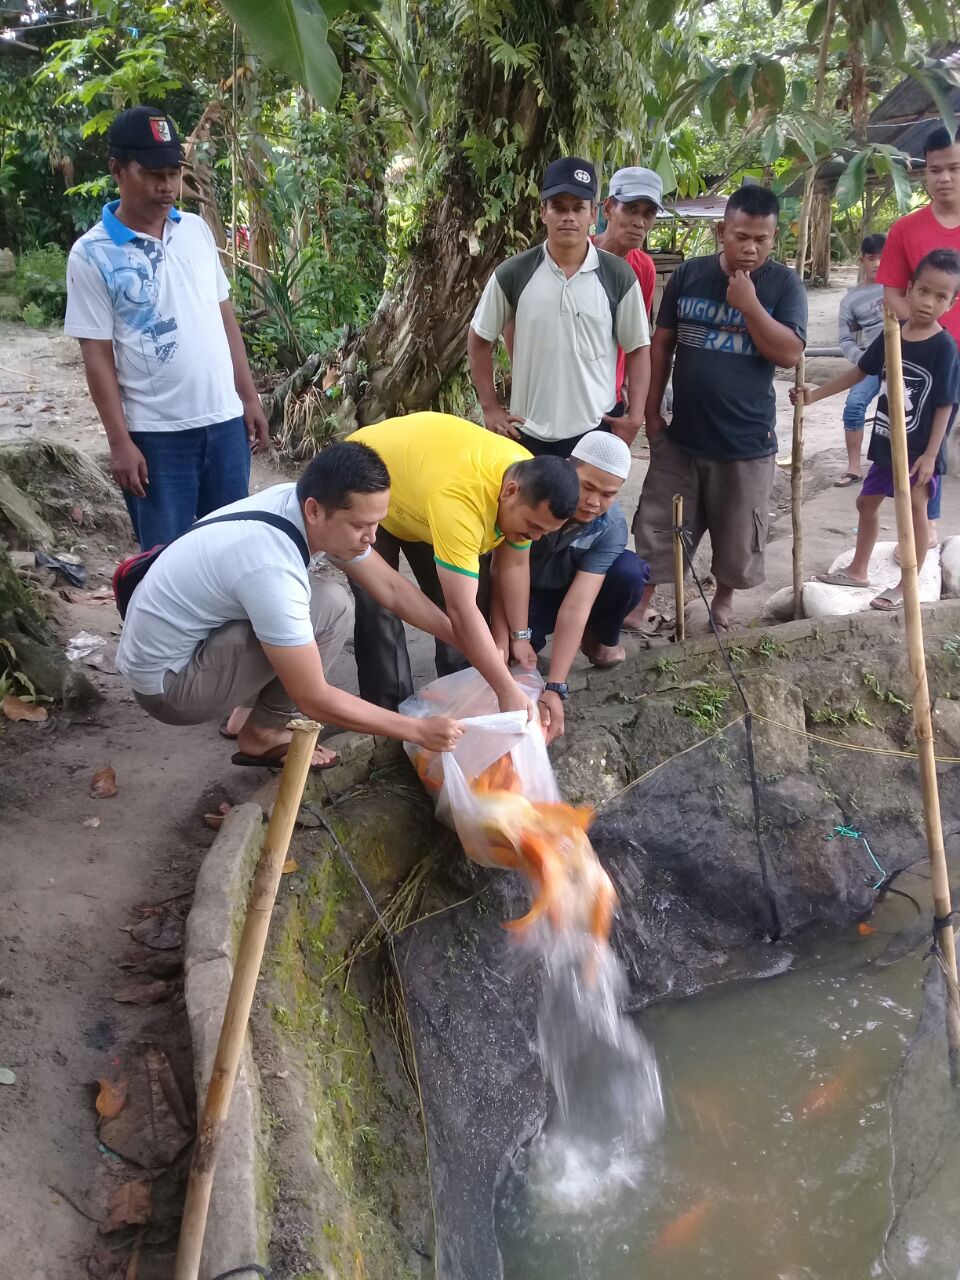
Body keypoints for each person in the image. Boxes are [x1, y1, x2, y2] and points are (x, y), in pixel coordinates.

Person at [115, 441, 465, 769]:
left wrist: (462, 639)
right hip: (172, 688)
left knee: (324, 602)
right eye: (360, 525)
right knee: (331, 607)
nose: (372, 538)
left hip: (189, 648)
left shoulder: (293, 503)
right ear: (315, 510)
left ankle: (245, 715)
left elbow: (390, 587)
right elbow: (314, 698)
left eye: (377, 523)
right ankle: (263, 734)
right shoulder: (272, 565)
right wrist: (416, 730)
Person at [64, 106, 269, 551]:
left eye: (174, 172)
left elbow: (224, 317)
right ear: (118, 170)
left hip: (224, 424)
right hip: (156, 438)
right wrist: (120, 442)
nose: (168, 187)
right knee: (165, 561)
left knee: (232, 550)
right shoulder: (91, 254)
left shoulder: (195, 230)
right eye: (154, 173)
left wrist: (248, 397)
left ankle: (225, 627)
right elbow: (96, 354)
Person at [628, 184, 807, 631]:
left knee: (737, 531)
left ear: (773, 236)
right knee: (659, 525)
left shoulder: (783, 285)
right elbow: (661, 346)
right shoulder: (690, 275)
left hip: (746, 440)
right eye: (741, 236)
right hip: (682, 436)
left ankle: (722, 601)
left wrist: (749, 307)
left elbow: (788, 354)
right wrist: (652, 416)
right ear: (721, 231)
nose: (750, 247)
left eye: (761, 239)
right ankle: (637, 605)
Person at [345, 413, 580, 722]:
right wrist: (507, 689)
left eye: (543, 532)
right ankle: (390, 718)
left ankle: (463, 702)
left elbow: (514, 565)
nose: (535, 538)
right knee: (380, 609)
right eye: (532, 527)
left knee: (449, 601)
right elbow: (462, 610)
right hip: (364, 480)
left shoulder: (530, 479)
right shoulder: (462, 501)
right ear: (509, 492)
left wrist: (516, 637)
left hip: (422, 491)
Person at [791, 249, 960, 612]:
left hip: (918, 452)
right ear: (910, 289)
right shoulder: (891, 334)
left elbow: (947, 404)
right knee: (865, 503)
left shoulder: (944, 348)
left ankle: (907, 582)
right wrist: (815, 395)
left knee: (914, 509)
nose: (929, 303)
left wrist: (932, 454)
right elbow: (861, 371)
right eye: (924, 291)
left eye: (941, 296)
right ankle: (858, 570)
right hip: (886, 444)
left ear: (952, 302)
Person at [467, 156, 651, 456]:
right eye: (559, 207)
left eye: (578, 207)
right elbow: (479, 338)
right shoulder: (514, 273)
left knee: (592, 504)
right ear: (543, 212)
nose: (569, 217)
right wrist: (490, 408)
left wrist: (636, 415)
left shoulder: (618, 275)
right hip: (527, 433)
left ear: (593, 213)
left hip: (595, 429)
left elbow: (638, 348)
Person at [525, 431, 648, 740]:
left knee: (629, 571)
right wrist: (513, 635)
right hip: (523, 591)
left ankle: (597, 638)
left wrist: (556, 686)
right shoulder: (535, 494)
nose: (594, 502)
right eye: (587, 487)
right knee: (515, 658)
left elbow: (578, 603)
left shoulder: (611, 527)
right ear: (569, 469)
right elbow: (505, 571)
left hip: (572, 590)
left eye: (608, 494)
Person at [877, 124, 960, 547]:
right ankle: (925, 530)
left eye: (954, 168)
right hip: (926, 361)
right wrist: (924, 329)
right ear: (924, 173)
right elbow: (892, 290)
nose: (944, 178)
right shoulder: (906, 230)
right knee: (927, 440)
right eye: (935, 169)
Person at [592, 166, 662, 414]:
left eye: (649, 213)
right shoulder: (576, 255)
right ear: (608, 208)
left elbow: (636, 337)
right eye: (631, 209)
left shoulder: (643, 268)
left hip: (611, 396)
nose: (639, 222)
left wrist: (630, 386)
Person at [835, 233, 887, 487]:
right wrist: (864, 360)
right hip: (873, 363)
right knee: (854, 404)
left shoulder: (903, 286)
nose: (877, 263)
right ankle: (854, 467)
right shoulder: (851, 299)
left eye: (882, 257)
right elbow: (845, 339)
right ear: (862, 260)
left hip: (907, 360)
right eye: (871, 258)